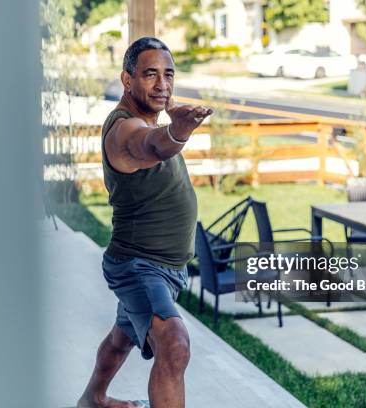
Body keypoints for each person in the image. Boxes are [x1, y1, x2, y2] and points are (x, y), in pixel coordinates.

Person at [77, 37, 213, 408]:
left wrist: (170, 129)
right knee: (174, 343)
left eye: (168, 74)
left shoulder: (150, 120)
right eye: (150, 74)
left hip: (165, 267)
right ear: (127, 79)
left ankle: (93, 399)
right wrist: (178, 132)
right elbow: (151, 146)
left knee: (123, 335)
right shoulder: (124, 130)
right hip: (139, 264)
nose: (163, 84)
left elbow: (157, 138)